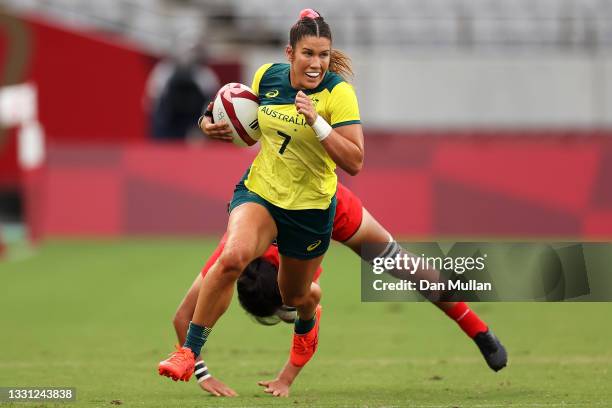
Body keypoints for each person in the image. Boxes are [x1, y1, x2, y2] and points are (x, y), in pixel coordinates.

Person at [158, 8, 365, 382]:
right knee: (233, 257)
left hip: (310, 210)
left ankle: (307, 320)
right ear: (290, 53)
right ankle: (188, 353)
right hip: (261, 193)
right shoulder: (267, 76)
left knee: (295, 295)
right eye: (308, 54)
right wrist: (208, 122)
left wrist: (316, 122)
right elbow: (242, 117)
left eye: (323, 54)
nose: (316, 63)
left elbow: (355, 161)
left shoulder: (339, 94)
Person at [172, 183, 507, 397]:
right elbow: (183, 317)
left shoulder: (302, 288)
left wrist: (286, 377)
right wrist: (202, 373)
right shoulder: (234, 250)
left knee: (409, 269)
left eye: (284, 310)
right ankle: (481, 331)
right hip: (290, 203)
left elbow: (310, 312)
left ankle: (478, 330)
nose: (287, 313)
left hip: (330, 208)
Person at [145, 33, 220, 141]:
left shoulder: (205, 76)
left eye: (191, 52)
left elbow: (212, 105)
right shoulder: (163, 72)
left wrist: (201, 128)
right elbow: (152, 102)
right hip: (167, 125)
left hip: (192, 126)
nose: (186, 57)